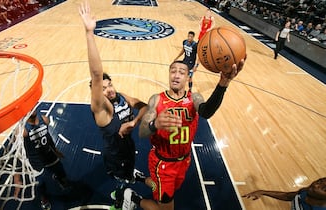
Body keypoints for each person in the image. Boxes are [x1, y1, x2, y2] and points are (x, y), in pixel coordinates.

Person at [136, 57, 245, 210]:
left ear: (188, 77)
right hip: (163, 163)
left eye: (181, 72)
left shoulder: (194, 98)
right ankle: (134, 198)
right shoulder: (156, 99)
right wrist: (155, 124)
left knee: (173, 190)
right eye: (173, 71)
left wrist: (223, 84)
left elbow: (207, 112)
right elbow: (142, 131)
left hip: (184, 160)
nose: (176, 75)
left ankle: (144, 180)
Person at [79, 2, 156, 210]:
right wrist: (89, 33)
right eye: (104, 89)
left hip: (128, 150)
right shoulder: (104, 110)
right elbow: (96, 75)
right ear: (98, 95)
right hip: (116, 158)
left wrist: (134, 121)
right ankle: (125, 195)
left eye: (110, 84)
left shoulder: (121, 96)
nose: (109, 89)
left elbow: (144, 106)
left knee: (128, 173)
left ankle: (130, 179)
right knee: (123, 186)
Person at [14, 110, 70, 210]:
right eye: (28, 108)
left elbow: (48, 137)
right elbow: (18, 154)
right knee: (40, 184)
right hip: (36, 161)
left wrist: (55, 150)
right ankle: (43, 198)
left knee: (61, 171)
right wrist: (17, 178)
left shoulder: (44, 119)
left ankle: (60, 179)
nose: (31, 109)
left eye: (32, 106)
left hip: (48, 155)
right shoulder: (23, 130)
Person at [242, 177, 326, 209]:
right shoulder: (304, 192)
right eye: (319, 181)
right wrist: (262, 192)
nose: (315, 185)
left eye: (324, 188)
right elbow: (287, 196)